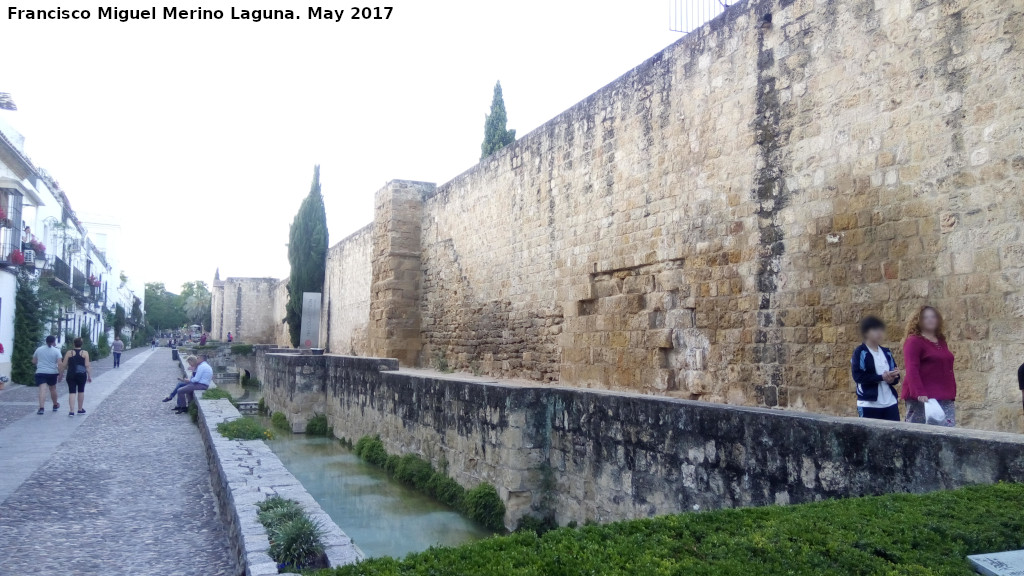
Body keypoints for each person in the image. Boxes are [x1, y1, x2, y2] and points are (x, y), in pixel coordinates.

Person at [901, 305, 956, 426]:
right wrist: (919, 392)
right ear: (918, 321)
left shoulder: (940, 340)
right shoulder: (913, 341)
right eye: (925, 317)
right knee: (919, 433)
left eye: (933, 317)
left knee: (948, 432)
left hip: (944, 394)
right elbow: (911, 369)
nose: (930, 320)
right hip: (923, 398)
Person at [851, 316, 901, 421]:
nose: (879, 333)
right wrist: (881, 377)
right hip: (869, 404)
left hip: (890, 403)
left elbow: (896, 377)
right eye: (874, 329)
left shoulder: (886, 352)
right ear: (866, 333)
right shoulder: (860, 352)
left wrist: (893, 378)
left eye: (881, 329)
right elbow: (858, 376)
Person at [59, 338, 92, 417]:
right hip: (81, 374)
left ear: (74, 344)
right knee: (81, 391)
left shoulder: (69, 353)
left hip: (71, 374)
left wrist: (60, 375)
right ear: (81, 344)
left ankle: (71, 411)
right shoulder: (85, 353)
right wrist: (89, 376)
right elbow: (87, 365)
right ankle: (80, 409)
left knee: (72, 392)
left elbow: (63, 365)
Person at [33, 335, 63, 414]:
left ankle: (41, 408)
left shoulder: (39, 349)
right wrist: (60, 374)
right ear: (53, 341)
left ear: (46, 341)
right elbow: (60, 363)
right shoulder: (56, 351)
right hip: (52, 372)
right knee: (52, 389)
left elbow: (34, 361)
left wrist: (39, 364)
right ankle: (55, 405)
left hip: (41, 371)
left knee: (42, 390)